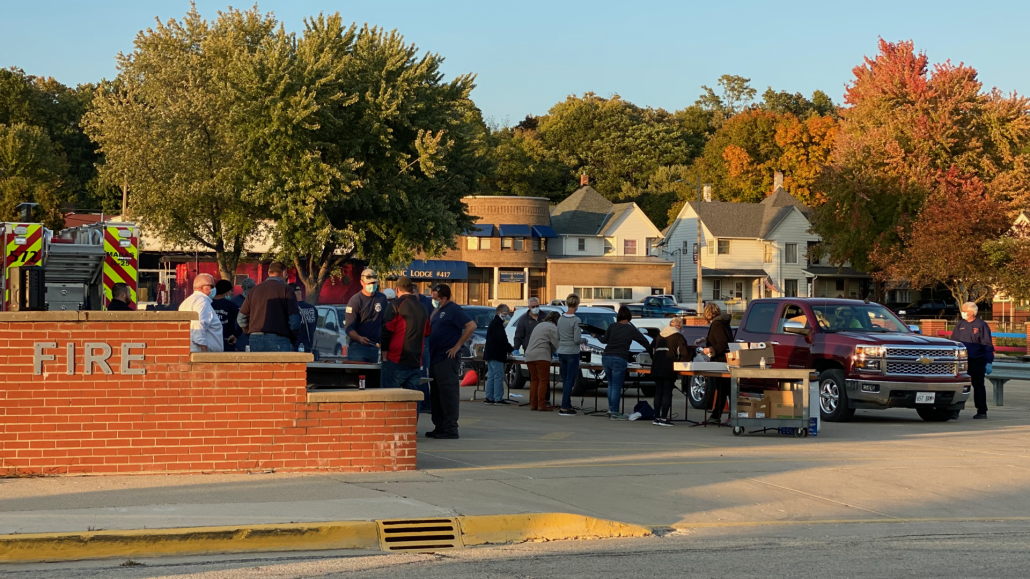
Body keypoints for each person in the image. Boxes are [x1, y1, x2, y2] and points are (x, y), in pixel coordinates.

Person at [425, 284, 476, 440]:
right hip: (435, 358)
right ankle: (439, 426)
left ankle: (450, 428)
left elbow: (471, 325)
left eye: (435, 298)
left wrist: (457, 345)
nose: (433, 300)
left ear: (444, 298)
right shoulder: (437, 310)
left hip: (447, 358)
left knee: (447, 394)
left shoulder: (454, 310)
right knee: (437, 394)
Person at [597, 306, 651, 420]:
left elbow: (604, 340)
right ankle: (615, 414)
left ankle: (611, 409)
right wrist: (653, 354)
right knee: (616, 386)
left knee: (611, 385)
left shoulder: (612, 326)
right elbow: (644, 342)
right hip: (619, 358)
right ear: (629, 316)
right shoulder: (630, 329)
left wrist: (596, 335)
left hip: (606, 357)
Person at [381, 276, 432, 391]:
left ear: (397, 289)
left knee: (389, 397)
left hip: (396, 359)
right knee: (413, 401)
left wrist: (384, 356)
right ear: (412, 289)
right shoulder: (423, 307)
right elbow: (428, 331)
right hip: (415, 360)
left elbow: (386, 330)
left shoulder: (395, 305)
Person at [238, 262, 300, 352]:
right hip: (279, 338)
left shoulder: (254, 290)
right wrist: (293, 338)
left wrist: (251, 332)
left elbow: (241, 318)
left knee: (258, 366)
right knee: (278, 366)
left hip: (255, 338)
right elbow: (294, 320)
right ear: (284, 273)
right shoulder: (286, 290)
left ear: (269, 272)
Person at [951, 302, 994, 419]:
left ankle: (982, 411)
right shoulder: (960, 324)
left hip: (977, 360)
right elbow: (954, 341)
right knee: (960, 386)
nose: (962, 313)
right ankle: (955, 411)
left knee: (978, 385)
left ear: (971, 312)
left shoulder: (981, 325)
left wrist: (989, 361)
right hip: (962, 360)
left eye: (964, 310)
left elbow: (987, 344)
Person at [651, 316, 690, 426]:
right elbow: (685, 354)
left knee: (658, 392)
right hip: (669, 367)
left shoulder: (659, 336)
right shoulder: (678, 336)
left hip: (656, 367)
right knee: (667, 392)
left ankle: (656, 417)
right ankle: (664, 419)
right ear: (678, 326)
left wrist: (654, 358)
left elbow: (650, 348)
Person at [345, 268, 388, 363]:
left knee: (372, 377)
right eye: (369, 283)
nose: (372, 285)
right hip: (358, 348)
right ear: (362, 282)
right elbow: (348, 328)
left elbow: (385, 322)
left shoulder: (382, 298)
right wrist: (359, 338)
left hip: (375, 347)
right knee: (357, 376)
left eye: (374, 283)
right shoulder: (355, 301)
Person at [556, 294, 588, 416]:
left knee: (565, 379)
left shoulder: (560, 318)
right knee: (570, 379)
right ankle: (564, 407)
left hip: (561, 351)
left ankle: (567, 404)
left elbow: (558, 336)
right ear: (577, 305)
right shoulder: (576, 320)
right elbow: (576, 339)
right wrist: (584, 340)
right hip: (572, 352)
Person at [702, 303, 734, 425]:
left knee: (723, 389)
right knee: (725, 390)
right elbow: (722, 340)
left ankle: (724, 415)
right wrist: (705, 340)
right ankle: (719, 415)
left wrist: (710, 349)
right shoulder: (723, 323)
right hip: (727, 360)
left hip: (721, 361)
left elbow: (723, 344)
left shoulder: (716, 325)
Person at [525, 311, 561, 411]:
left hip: (529, 356)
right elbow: (557, 344)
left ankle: (533, 404)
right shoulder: (553, 328)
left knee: (534, 380)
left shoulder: (539, 325)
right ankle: (542, 404)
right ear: (557, 320)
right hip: (542, 356)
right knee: (543, 381)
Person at [178, 273, 223, 353]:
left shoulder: (186, 302)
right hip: (203, 352)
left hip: (190, 349)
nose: (214, 289)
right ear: (202, 287)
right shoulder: (202, 302)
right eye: (211, 286)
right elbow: (199, 325)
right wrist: (203, 352)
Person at [483, 304, 513, 405]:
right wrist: (510, 349)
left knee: (491, 376)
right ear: (499, 313)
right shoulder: (497, 324)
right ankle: (498, 398)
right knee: (498, 376)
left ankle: (489, 397)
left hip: (491, 354)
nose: (505, 316)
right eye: (504, 314)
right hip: (497, 354)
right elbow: (502, 340)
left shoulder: (494, 323)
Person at [412, 283, 435, 414]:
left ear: (418, 293)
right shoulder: (410, 303)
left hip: (425, 340)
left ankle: (426, 403)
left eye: (415, 295)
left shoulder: (427, 303)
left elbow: (431, 320)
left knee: (423, 373)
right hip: (414, 340)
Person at [211, 279, 242, 352]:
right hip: (228, 341)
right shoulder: (231, 305)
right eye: (230, 291)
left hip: (211, 340)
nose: (231, 293)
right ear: (227, 291)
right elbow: (242, 320)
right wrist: (236, 334)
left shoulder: (208, 304)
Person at [290, 284, 318, 356]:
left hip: (294, 348)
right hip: (308, 347)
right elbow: (313, 327)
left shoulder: (292, 309)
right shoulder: (313, 308)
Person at [232, 278, 257, 352]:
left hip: (253, 336)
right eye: (247, 287)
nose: (248, 290)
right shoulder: (234, 302)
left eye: (250, 287)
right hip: (240, 338)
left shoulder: (257, 301)